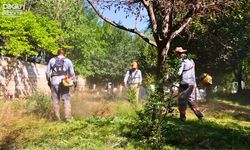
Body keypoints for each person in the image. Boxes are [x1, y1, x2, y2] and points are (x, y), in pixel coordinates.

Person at [46, 49, 76, 122]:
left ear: (57, 53)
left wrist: (49, 81)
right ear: (64, 54)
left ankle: (57, 117)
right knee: (66, 100)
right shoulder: (68, 61)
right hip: (64, 82)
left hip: (54, 82)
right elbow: (72, 73)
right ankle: (68, 118)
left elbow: (47, 73)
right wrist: (74, 82)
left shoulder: (52, 60)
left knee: (55, 100)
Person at [175, 47, 205, 122]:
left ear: (178, 54)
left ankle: (183, 118)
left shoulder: (181, 61)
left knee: (181, 99)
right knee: (191, 100)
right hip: (192, 83)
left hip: (184, 83)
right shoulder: (191, 60)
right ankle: (201, 117)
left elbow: (178, 73)